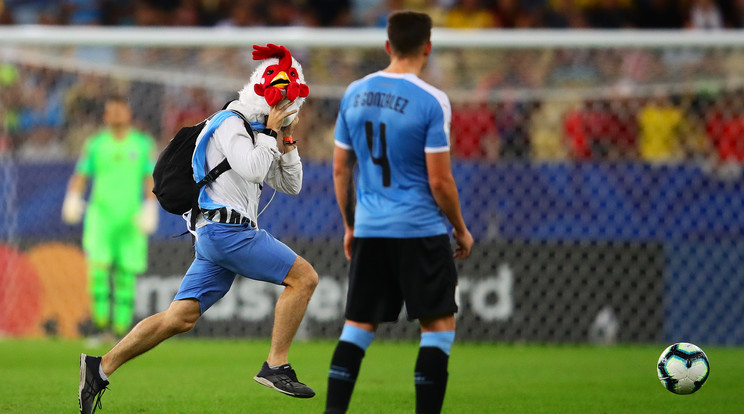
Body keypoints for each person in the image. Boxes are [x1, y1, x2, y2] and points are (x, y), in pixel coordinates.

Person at [77, 91, 319, 412]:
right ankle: (276, 365)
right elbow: (256, 170)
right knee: (304, 278)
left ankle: (100, 368)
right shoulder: (230, 124)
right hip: (228, 232)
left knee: (180, 318)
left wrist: (285, 136)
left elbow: (292, 184)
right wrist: (271, 133)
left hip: (216, 236)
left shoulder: (253, 138)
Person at [325, 10, 474, 414]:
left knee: (357, 329)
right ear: (428, 47)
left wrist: (351, 225)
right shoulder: (432, 101)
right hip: (419, 228)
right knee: (438, 328)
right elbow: (440, 182)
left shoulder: (354, 93)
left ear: (387, 46)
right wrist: (460, 229)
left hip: (371, 228)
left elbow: (341, 168)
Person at [62, 94, 159, 341]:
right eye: (110, 111)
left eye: (119, 110)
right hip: (101, 216)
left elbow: (149, 178)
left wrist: (150, 206)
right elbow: (82, 173)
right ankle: (99, 325)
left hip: (130, 217)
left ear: (128, 113)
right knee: (98, 270)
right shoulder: (95, 144)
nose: (115, 115)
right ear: (105, 115)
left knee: (126, 274)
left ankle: (120, 330)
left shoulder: (142, 144)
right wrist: (73, 197)